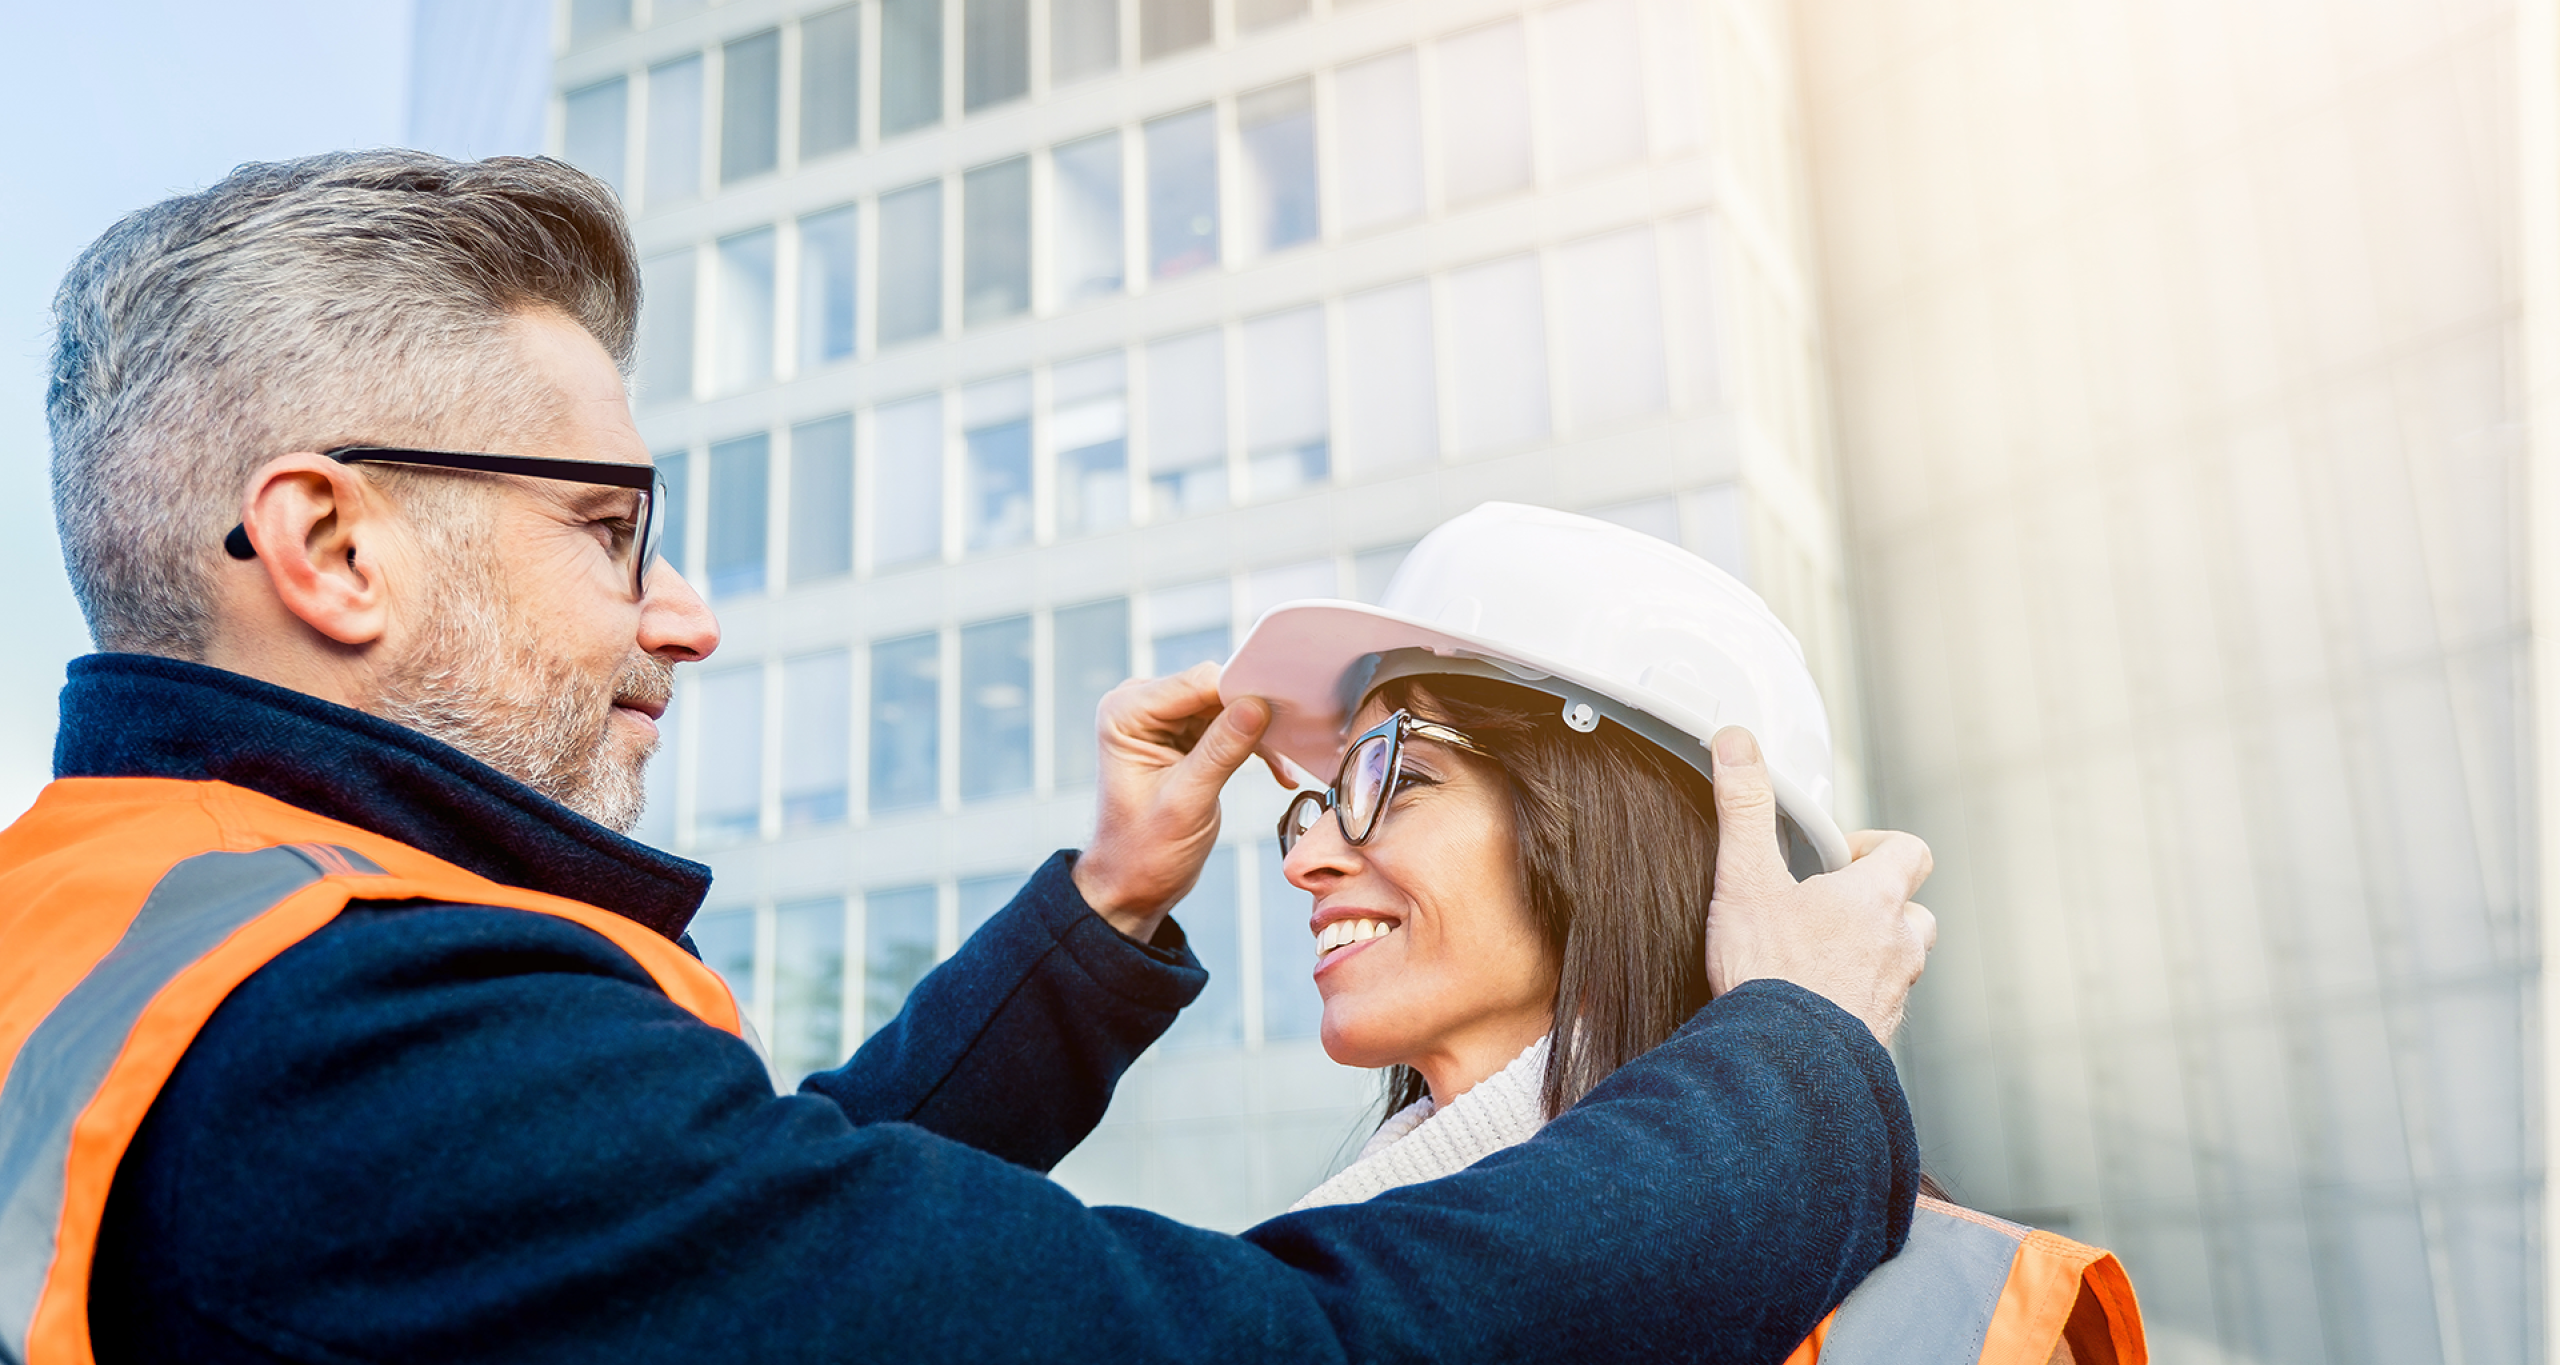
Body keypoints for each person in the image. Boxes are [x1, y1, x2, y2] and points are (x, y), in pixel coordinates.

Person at [1, 151, 1936, 1365]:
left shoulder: (148, 971)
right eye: (613, 531)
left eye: (1390, 772)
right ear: (332, 547)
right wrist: (1802, 1065)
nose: (686, 615)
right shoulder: (364, 1045)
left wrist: (1098, 924)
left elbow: (769, 1250)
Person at [1225, 503, 2147, 1365]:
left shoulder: (1951, 1318)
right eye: (1324, 797)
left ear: (1607, 833)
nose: (1304, 853)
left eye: (1398, 776)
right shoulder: (1312, 1284)